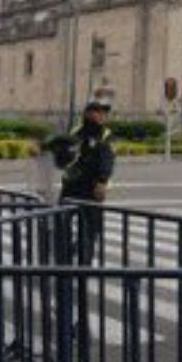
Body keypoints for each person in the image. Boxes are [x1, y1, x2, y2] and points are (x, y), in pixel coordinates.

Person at [58, 100, 116, 264]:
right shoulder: (76, 131)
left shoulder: (105, 135)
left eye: (104, 113)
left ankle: (85, 263)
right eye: (98, 112)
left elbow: (107, 160)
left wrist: (102, 181)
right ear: (88, 113)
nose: (102, 116)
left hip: (91, 189)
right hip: (70, 186)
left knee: (90, 229)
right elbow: (66, 153)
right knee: (62, 223)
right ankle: (64, 257)